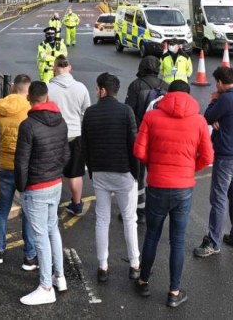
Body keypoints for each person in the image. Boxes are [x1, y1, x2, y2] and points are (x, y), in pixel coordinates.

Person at [133, 80, 214, 308]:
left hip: (157, 184)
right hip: (183, 188)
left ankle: (143, 280)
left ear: (167, 95)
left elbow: (139, 150)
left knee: (152, 235)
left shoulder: (152, 117)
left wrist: (155, 165)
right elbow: (208, 157)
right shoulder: (199, 121)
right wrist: (189, 169)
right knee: (177, 241)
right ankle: (174, 292)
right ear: (188, 95)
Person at [81, 73, 140, 283]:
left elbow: (85, 146)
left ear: (103, 91)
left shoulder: (90, 113)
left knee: (102, 219)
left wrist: (92, 170)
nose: (96, 92)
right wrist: (135, 174)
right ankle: (134, 264)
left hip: (100, 173)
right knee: (129, 219)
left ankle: (102, 266)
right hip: (124, 172)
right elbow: (134, 145)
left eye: (97, 89)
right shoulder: (126, 112)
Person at [15, 81, 70, 305]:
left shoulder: (28, 125)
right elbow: (66, 154)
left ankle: (46, 287)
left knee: (40, 238)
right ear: (46, 98)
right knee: (52, 230)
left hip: (36, 186)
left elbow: (21, 162)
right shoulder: (61, 121)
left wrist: (23, 186)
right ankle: (60, 277)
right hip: (55, 183)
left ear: (30, 99)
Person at [193, 66, 233, 258]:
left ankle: (213, 241)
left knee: (218, 199)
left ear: (219, 82)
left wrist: (213, 100)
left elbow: (207, 117)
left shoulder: (225, 99)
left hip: (226, 156)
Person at [0, 74, 38, 271]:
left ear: (12, 87)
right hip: (24, 167)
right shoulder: (30, 109)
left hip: (5, 164)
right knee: (28, 212)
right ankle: (29, 256)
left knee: (3, 209)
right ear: (28, 91)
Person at [124, 56, 169, 221]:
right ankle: (155, 209)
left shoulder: (136, 85)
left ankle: (138, 209)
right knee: (155, 173)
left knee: (137, 174)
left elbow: (129, 111)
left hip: (140, 135)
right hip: (159, 137)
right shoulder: (165, 86)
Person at [47, 56, 90, 216]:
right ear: (69, 67)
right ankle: (77, 204)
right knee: (75, 173)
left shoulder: (48, 88)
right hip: (75, 135)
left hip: (54, 135)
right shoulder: (81, 88)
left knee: (55, 173)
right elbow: (86, 111)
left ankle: (53, 205)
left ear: (55, 68)